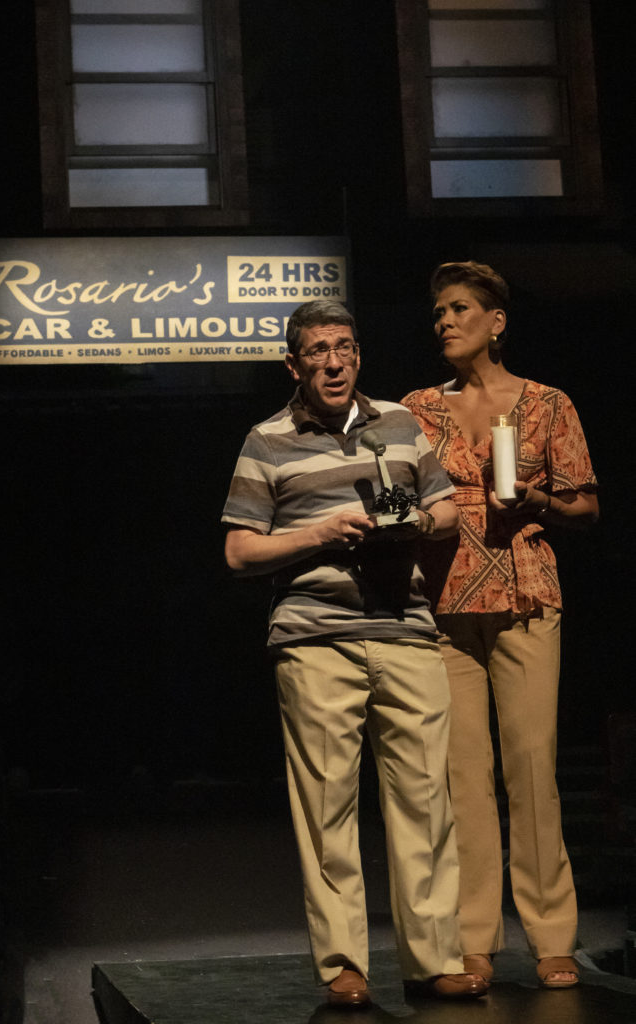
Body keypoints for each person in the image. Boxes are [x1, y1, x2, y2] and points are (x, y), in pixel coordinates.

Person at [222, 299, 489, 1006]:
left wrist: (412, 521)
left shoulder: (398, 424)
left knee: (424, 800)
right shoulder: (266, 439)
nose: (333, 362)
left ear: (358, 354)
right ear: (293, 364)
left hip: (402, 629)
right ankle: (343, 964)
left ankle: (430, 960)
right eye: (317, 351)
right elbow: (239, 550)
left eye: (343, 347)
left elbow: (445, 510)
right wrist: (318, 534)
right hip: (314, 638)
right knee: (326, 804)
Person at [402, 261, 599, 990]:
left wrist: (538, 502)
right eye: (437, 313)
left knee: (529, 766)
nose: (444, 322)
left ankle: (551, 935)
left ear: (496, 320)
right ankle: (472, 936)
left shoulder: (547, 404)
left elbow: (586, 508)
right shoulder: (416, 409)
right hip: (445, 602)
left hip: (523, 595)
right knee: (461, 777)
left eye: (458, 309)